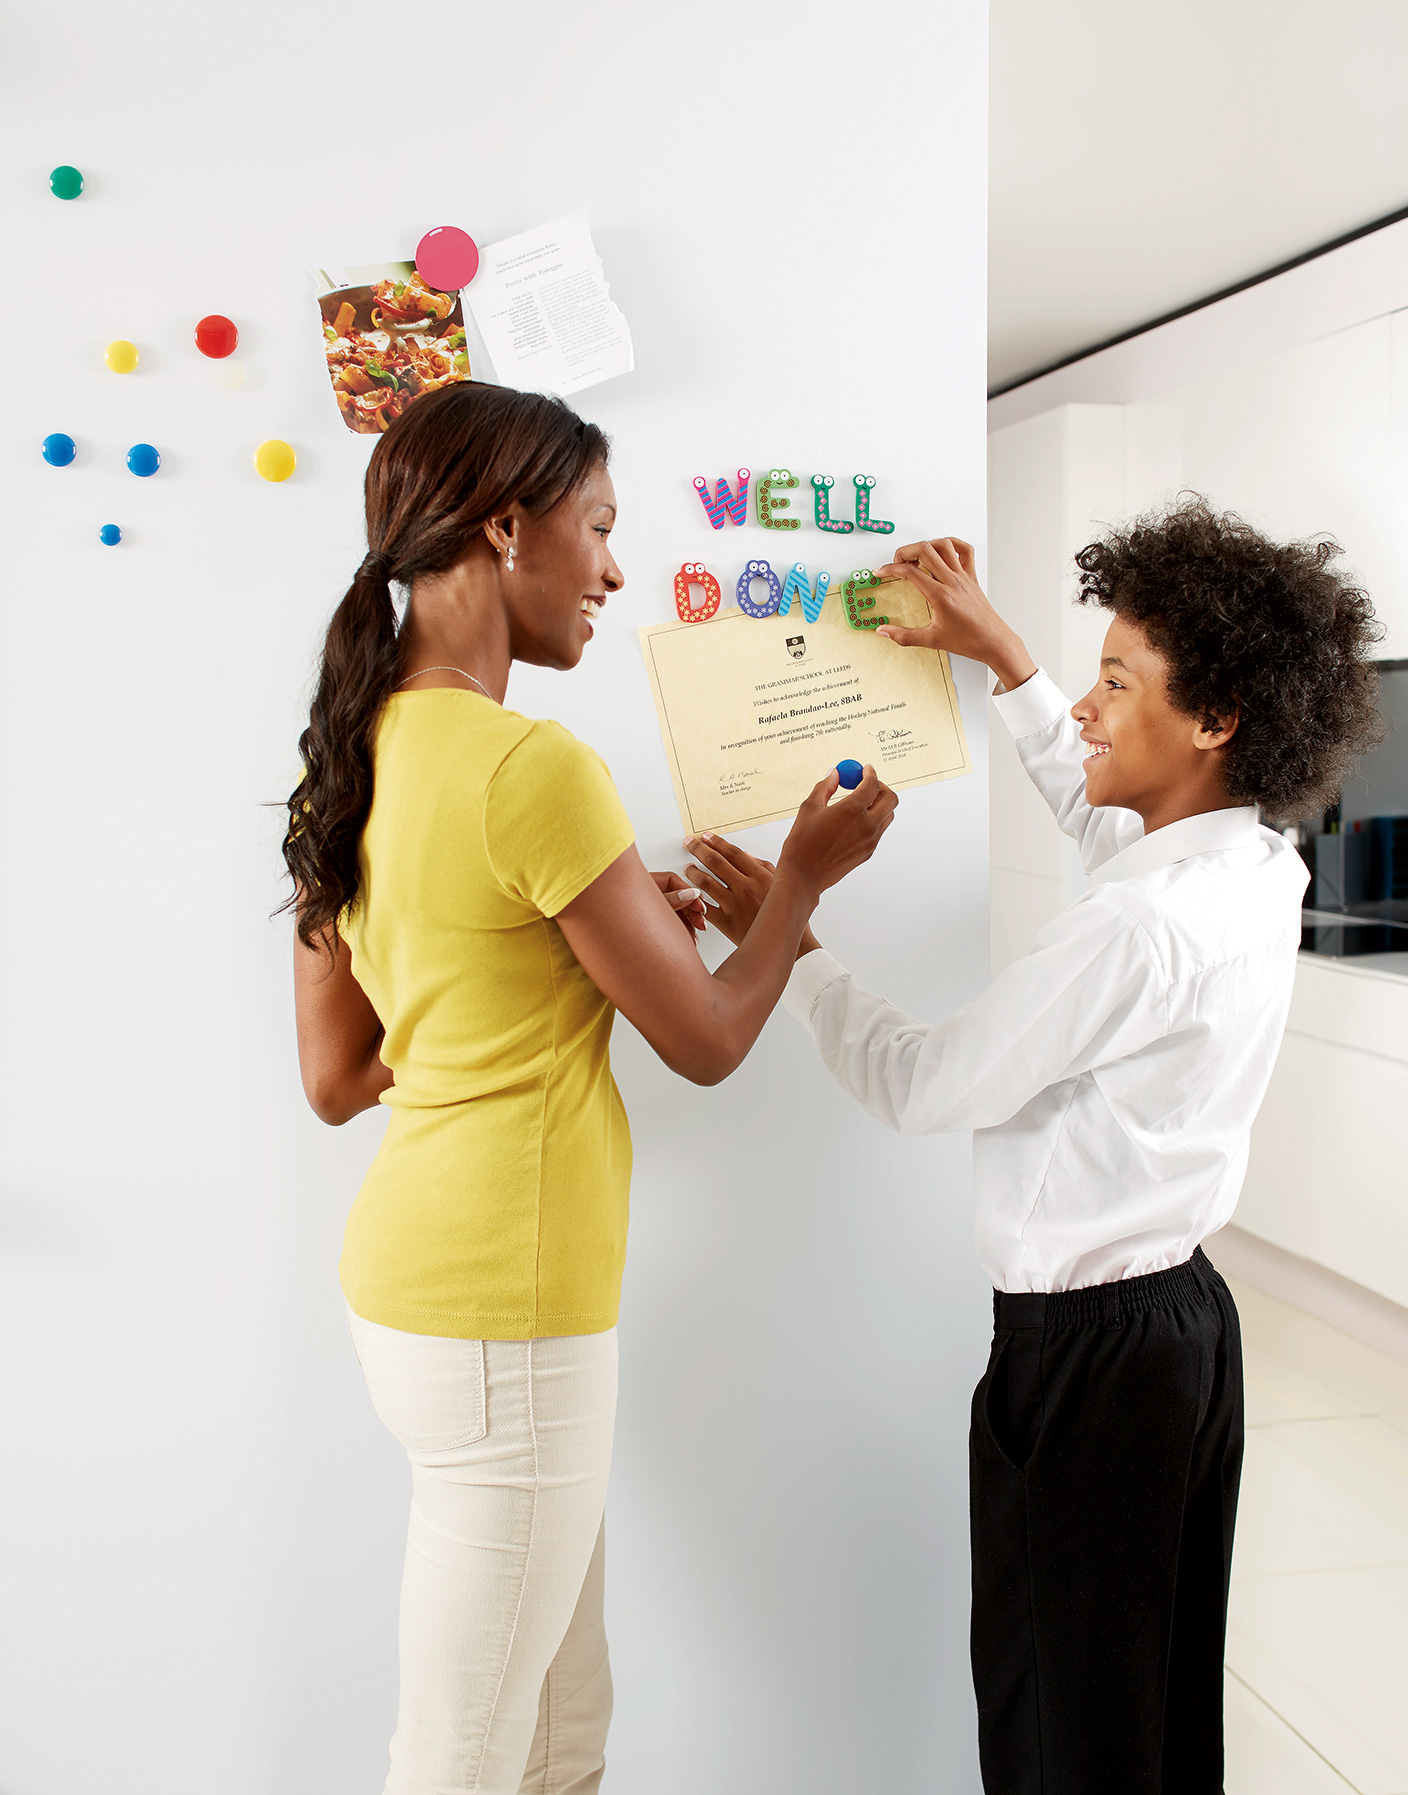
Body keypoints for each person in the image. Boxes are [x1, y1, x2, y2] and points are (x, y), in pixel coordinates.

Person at [680, 499, 1382, 1795]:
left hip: (1093, 1366)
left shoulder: (1139, 932)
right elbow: (1109, 810)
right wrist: (1002, 651)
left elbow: (920, 1080)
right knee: (1146, 1713)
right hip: (1183, 1331)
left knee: (1061, 1725)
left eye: (1117, 681)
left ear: (1215, 720)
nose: (1093, 713)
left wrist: (796, 935)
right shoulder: (1248, 865)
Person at [284, 380, 896, 1795]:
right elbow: (707, 1041)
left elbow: (336, 1075)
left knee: (560, 1723)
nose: (616, 570)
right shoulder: (530, 764)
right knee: (464, 1755)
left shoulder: (351, 751)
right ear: (508, 527)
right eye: (601, 527)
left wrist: (558, 969)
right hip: (511, 1314)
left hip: (418, 1295)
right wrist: (799, 880)